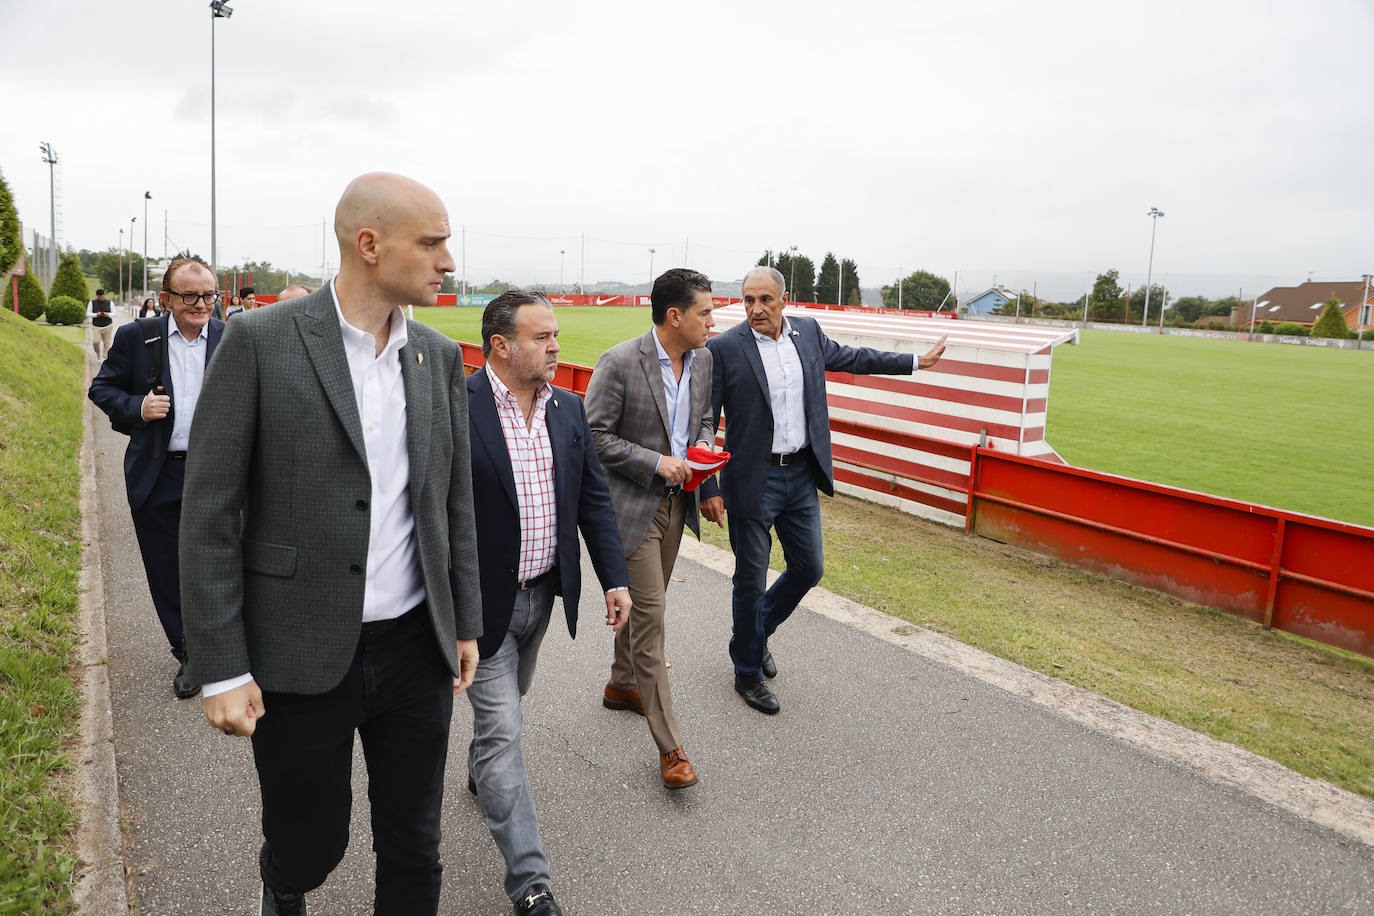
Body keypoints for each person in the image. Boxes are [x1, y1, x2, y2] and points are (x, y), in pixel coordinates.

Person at [179, 172, 482, 916]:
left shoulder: (438, 357)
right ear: (369, 244)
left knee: (416, 843)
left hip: (416, 645)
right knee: (311, 843)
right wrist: (221, 667)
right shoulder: (259, 341)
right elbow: (210, 511)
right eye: (433, 241)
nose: (448, 261)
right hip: (296, 649)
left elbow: (453, 499)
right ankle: (282, 885)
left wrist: (465, 618)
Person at [700, 266, 946, 715]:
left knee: (809, 568)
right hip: (752, 480)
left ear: (784, 298)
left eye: (765, 300)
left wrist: (916, 363)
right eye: (748, 300)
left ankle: (752, 636)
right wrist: (708, 485)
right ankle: (747, 672)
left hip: (800, 476)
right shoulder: (724, 348)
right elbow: (704, 422)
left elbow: (853, 358)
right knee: (750, 582)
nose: (756, 309)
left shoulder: (808, 333)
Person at [466, 290, 631, 916]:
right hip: (482, 608)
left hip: (544, 598)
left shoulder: (569, 410)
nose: (556, 346)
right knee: (505, 729)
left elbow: (592, 501)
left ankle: (484, 770)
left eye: (555, 335)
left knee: (505, 716)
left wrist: (614, 579)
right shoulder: (461, 405)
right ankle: (531, 885)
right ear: (502, 346)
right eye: (542, 337)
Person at [584, 267, 718, 789]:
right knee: (652, 620)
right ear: (674, 315)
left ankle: (621, 686)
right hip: (630, 508)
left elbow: (702, 420)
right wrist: (656, 461)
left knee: (648, 602)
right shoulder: (619, 362)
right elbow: (592, 436)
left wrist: (704, 461)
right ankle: (671, 748)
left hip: (677, 507)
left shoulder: (703, 360)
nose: (713, 320)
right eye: (705, 312)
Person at [88, 260, 225, 699]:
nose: (201, 304)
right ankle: (188, 652)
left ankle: (225, 649)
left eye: (208, 295)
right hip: (158, 471)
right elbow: (102, 389)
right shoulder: (137, 337)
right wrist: (137, 409)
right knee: (167, 568)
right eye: (190, 296)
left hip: (217, 474)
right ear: (166, 299)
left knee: (221, 565)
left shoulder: (231, 338)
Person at [87, 288, 116, 359]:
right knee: (95, 342)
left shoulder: (110, 302)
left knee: (107, 343)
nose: (100, 298)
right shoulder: (92, 302)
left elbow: (114, 314)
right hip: (96, 326)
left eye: (102, 297)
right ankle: (98, 353)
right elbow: (88, 314)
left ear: (104, 295)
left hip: (107, 325)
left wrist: (108, 314)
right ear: (97, 296)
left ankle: (104, 357)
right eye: (99, 297)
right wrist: (96, 314)